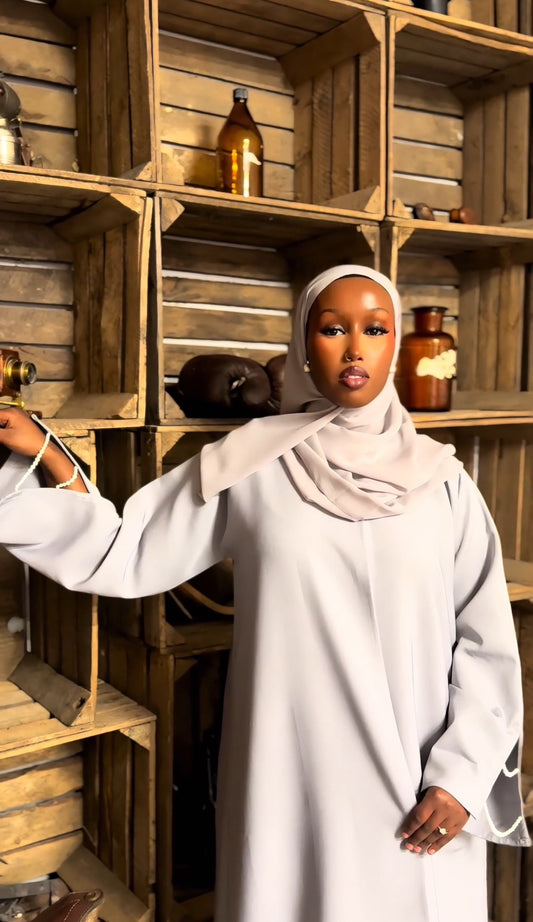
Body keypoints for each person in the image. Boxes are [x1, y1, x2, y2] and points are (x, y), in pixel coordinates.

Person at [0, 265, 528, 922]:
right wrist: (49, 456)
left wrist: (462, 775)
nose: (355, 349)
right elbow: (126, 552)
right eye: (332, 329)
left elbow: (485, 643)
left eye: (374, 329)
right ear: (303, 345)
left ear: (395, 344)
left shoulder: (445, 484)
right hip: (292, 776)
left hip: (419, 786)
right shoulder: (250, 464)